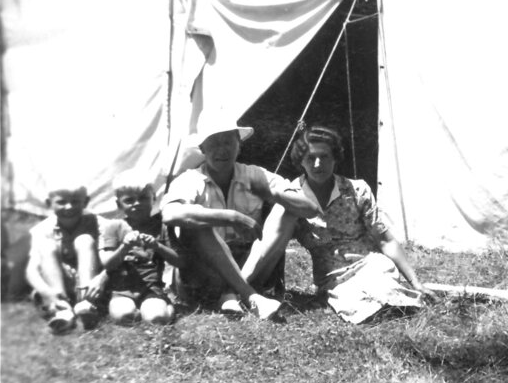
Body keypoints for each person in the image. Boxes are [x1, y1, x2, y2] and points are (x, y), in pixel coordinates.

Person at [242, 124, 434, 324]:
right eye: (310, 158)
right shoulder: (292, 197)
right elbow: (270, 242)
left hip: (371, 264)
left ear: (335, 158)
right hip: (332, 277)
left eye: (324, 157)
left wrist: (415, 282)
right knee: (358, 305)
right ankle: (242, 287)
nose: (318, 164)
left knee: (388, 295)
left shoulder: (357, 190)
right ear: (301, 161)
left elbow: (385, 240)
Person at [161, 113, 319, 320]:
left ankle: (232, 293)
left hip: (250, 266)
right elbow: (170, 213)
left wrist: (272, 194)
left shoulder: (254, 174)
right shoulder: (190, 179)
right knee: (198, 221)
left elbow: (310, 208)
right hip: (204, 276)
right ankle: (250, 296)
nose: (222, 150)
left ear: (239, 145)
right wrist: (230, 216)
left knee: (287, 209)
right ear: (202, 149)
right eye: (214, 143)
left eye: (228, 142)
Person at [25, 181, 108, 333]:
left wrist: (101, 279)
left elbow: (114, 260)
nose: (69, 207)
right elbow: (32, 270)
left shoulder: (101, 224)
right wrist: (46, 292)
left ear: (86, 202)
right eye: (61, 202)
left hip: (92, 282)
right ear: (49, 203)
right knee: (47, 246)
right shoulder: (41, 230)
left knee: (84, 240)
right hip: (59, 283)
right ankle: (62, 309)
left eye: (75, 201)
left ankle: (86, 305)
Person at [99, 170, 179, 325]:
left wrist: (157, 246)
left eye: (143, 198)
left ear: (153, 198)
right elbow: (108, 263)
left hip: (152, 289)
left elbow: (179, 261)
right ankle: (140, 310)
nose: (137, 203)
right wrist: (124, 247)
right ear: (119, 204)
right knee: (123, 316)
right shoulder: (114, 227)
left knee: (156, 318)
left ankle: (166, 307)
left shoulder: (162, 225)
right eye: (129, 200)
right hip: (122, 291)